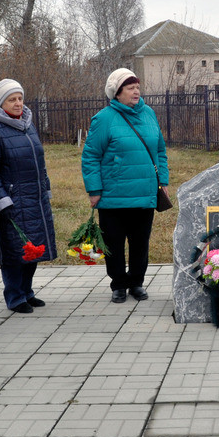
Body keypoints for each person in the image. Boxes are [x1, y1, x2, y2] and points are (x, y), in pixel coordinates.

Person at [81, 69, 169, 303]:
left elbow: (160, 150)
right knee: (114, 243)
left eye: (137, 87)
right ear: (117, 93)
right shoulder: (104, 119)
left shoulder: (149, 114)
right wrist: (94, 189)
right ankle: (118, 284)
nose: (136, 91)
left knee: (140, 243)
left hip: (145, 193)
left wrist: (164, 181)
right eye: (130, 88)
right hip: (113, 195)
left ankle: (137, 282)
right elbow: (90, 156)